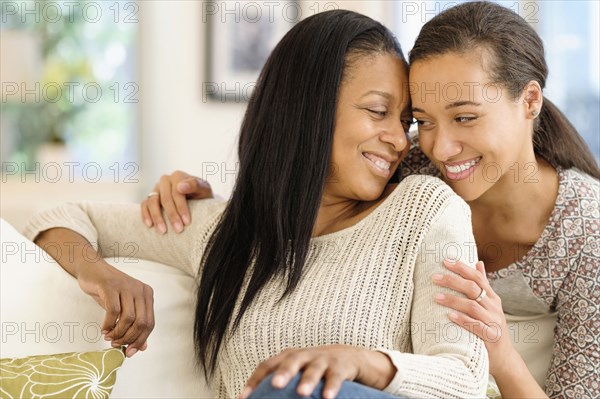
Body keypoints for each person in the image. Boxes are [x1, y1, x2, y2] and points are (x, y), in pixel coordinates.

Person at [23, 10, 488, 399]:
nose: (397, 138)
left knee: (294, 388)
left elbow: (466, 379)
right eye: (377, 111)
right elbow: (60, 218)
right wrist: (101, 274)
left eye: (405, 119)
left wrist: (358, 362)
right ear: (309, 108)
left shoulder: (427, 210)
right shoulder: (221, 232)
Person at [144, 2, 600, 399]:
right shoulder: (411, 164)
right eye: (422, 121)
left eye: (465, 117)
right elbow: (317, 202)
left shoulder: (587, 232)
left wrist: (497, 351)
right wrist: (217, 206)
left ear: (530, 101)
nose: (441, 148)